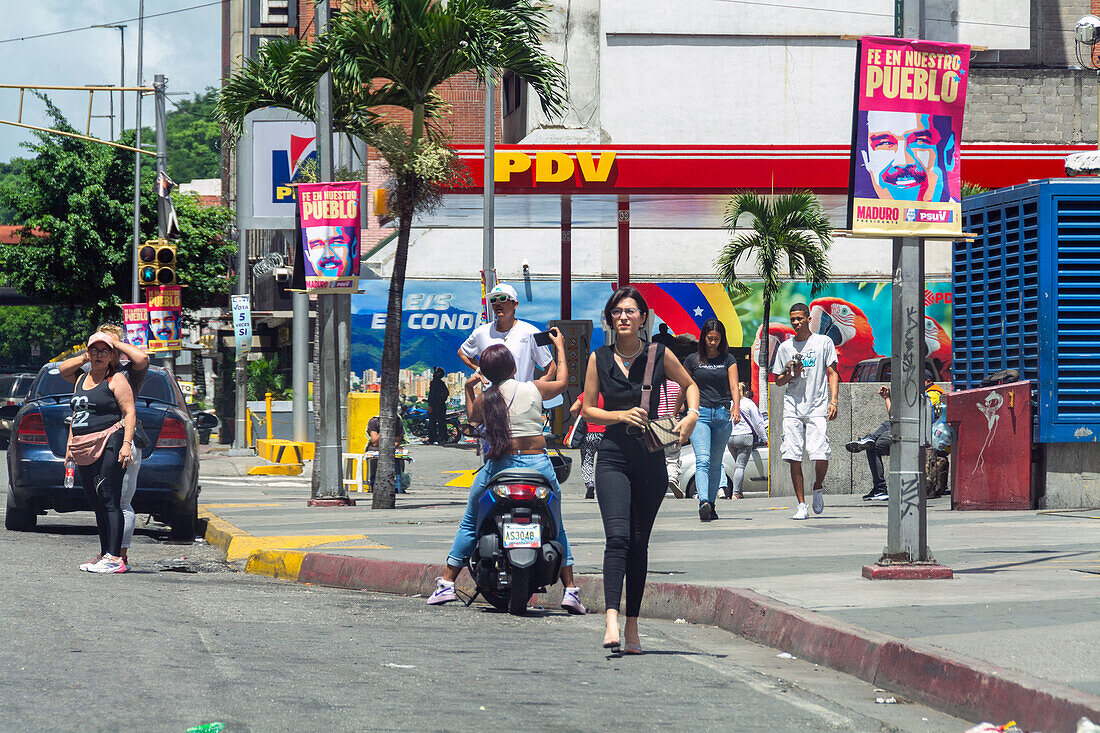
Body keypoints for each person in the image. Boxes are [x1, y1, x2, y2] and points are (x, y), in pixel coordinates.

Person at [428, 332, 586, 615]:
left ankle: (448, 583)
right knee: (558, 526)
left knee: (468, 524)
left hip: (499, 468)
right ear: (514, 368)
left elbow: (472, 423)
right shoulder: (534, 389)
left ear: (486, 373)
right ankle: (571, 590)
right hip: (538, 465)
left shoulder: (486, 398)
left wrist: (468, 390)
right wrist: (560, 346)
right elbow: (563, 382)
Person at [582, 287, 699, 653]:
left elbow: (690, 385)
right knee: (617, 537)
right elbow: (587, 409)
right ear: (610, 318)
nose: (623, 317)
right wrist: (619, 414)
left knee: (639, 542)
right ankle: (612, 618)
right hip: (613, 455)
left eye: (630, 311)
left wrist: (691, 415)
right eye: (617, 312)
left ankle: (633, 625)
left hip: (650, 459)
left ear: (643, 318)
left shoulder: (658, 354)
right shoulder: (598, 358)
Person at [57, 325, 149, 569]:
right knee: (97, 500)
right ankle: (106, 553)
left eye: (104, 349)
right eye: (94, 349)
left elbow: (130, 410)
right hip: (86, 444)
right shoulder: (83, 375)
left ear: (113, 351)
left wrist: (126, 445)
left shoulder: (123, 374)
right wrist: (70, 446)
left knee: (115, 500)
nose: (99, 354)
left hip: (117, 439)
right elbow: (63, 373)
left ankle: (117, 556)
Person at [772, 303, 840, 521]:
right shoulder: (785, 347)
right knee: (793, 455)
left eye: (800, 318)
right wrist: (792, 373)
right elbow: (778, 381)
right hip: (792, 407)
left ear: (809, 319)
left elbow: (832, 372)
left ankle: (817, 487)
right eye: (792, 319)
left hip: (817, 406)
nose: (796, 322)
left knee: (821, 453)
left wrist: (834, 401)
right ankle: (801, 504)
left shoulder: (823, 342)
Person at [679, 319, 740, 522]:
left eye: (716, 339)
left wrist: (736, 406)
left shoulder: (728, 359)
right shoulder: (692, 360)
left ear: (721, 339)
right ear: (703, 338)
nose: (712, 342)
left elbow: (733, 386)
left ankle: (711, 504)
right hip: (700, 414)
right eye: (709, 338)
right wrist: (678, 409)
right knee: (703, 460)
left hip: (722, 414)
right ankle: (703, 501)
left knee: (715, 463)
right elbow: (684, 385)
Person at [458, 283, 555, 384]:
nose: (497, 303)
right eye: (493, 300)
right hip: (492, 397)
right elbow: (463, 352)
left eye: (503, 299)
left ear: (515, 304)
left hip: (521, 397)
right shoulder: (481, 332)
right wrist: (479, 370)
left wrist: (534, 389)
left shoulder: (531, 333)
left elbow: (551, 367)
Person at [857, 110, 958, 203]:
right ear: (866, 158)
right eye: (885, 143)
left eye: (919, 141)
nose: (902, 162)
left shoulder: (955, 219)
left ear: (949, 152)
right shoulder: (862, 220)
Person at [727, 384, 768, 500]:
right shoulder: (749, 403)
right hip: (745, 437)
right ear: (745, 392)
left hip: (731, 438)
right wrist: (765, 439)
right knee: (740, 466)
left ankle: (739, 492)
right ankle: (735, 493)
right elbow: (758, 423)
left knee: (738, 466)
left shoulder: (731, 404)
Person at [569, 393, 605, 500]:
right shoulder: (608, 393)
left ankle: (590, 484)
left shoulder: (586, 394)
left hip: (589, 433)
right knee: (605, 462)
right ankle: (605, 486)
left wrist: (581, 417)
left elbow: (573, 409)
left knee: (587, 461)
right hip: (605, 433)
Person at [657, 379, 683, 498]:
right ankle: (672, 478)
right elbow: (681, 408)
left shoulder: (653, 385)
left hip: (657, 425)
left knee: (658, 458)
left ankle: (658, 485)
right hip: (673, 425)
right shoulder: (676, 386)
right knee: (672, 457)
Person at [367, 413, 405, 492]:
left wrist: (389, 448)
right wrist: (384, 429)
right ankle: (373, 484)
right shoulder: (374, 422)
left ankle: (398, 485)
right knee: (374, 454)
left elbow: (397, 441)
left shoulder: (397, 421)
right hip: (377, 446)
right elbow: (375, 442)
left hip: (392, 445)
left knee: (400, 455)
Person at [427, 367, 449, 444]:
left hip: (435, 406)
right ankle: (443, 438)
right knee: (442, 422)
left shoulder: (434, 383)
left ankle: (432, 438)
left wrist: (430, 405)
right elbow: (447, 393)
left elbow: (431, 395)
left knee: (432, 422)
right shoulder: (442, 383)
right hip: (441, 405)